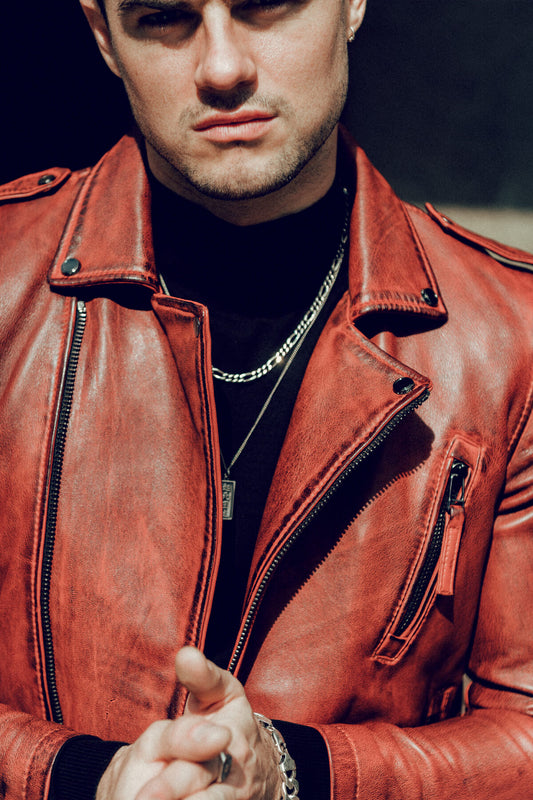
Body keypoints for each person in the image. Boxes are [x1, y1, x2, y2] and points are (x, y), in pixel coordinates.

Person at [0, 0, 532, 798]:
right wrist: (79, 777)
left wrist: (289, 773)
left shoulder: (511, 339)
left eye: (265, 7)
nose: (222, 68)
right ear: (103, 36)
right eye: (164, 18)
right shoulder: (8, 280)